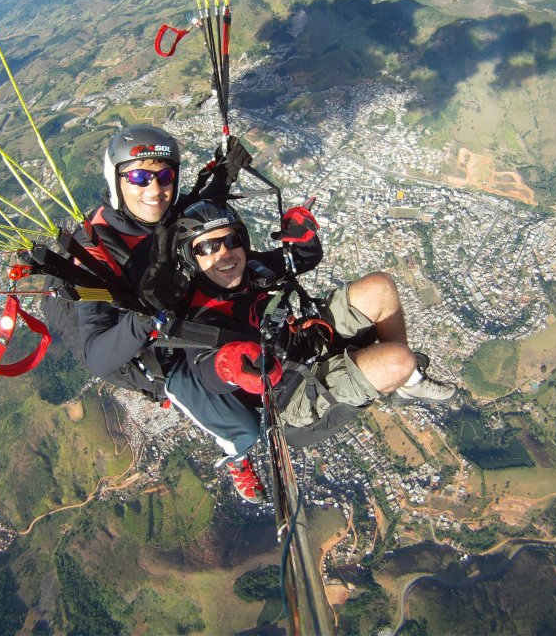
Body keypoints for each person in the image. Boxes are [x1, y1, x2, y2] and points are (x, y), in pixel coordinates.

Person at [160, 199, 456, 503]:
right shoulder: (202, 316)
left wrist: (303, 236)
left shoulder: (252, 269)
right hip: (290, 395)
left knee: (380, 286)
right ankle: (401, 374)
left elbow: (301, 258)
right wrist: (230, 365)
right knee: (398, 361)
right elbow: (206, 370)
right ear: (190, 257)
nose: (224, 253)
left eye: (231, 240)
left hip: (308, 340)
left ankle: (406, 385)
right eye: (207, 247)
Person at [42, 124, 249, 401]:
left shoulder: (165, 210)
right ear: (116, 180)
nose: (154, 190)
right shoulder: (96, 251)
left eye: (165, 176)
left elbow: (189, 215)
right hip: (149, 351)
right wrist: (145, 315)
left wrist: (223, 177)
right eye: (139, 177)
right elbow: (96, 356)